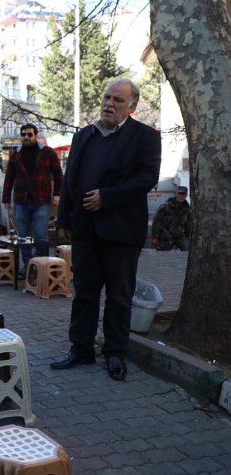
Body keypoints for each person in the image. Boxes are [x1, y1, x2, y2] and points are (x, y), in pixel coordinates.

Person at [51, 79, 161, 381]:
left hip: (122, 231)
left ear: (132, 107)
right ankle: (81, 349)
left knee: (119, 296)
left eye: (117, 100)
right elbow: (70, 179)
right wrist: (64, 221)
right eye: (106, 97)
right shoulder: (84, 135)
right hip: (86, 230)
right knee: (84, 292)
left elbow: (147, 178)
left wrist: (107, 197)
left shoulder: (146, 137)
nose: (109, 104)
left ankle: (114, 353)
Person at [2, 123, 63, 272]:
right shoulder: (16, 154)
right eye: (23, 134)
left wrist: (57, 194)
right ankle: (28, 266)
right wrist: (5, 198)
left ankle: (40, 265)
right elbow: (9, 177)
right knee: (22, 237)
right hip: (21, 200)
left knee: (40, 235)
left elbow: (58, 173)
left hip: (41, 200)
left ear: (36, 135)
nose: (26, 137)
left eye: (29, 134)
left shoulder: (47, 152)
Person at [151, 186, 191, 251]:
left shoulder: (187, 209)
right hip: (165, 236)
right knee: (161, 255)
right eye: (179, 194)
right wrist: (154, 237)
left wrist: (188, 236)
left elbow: (188, 224)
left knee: (188, 251)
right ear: (175, 194)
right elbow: (156, 222)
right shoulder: (165, 207)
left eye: (183, 194)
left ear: (186, 195)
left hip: (179, 235)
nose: (181, 196)